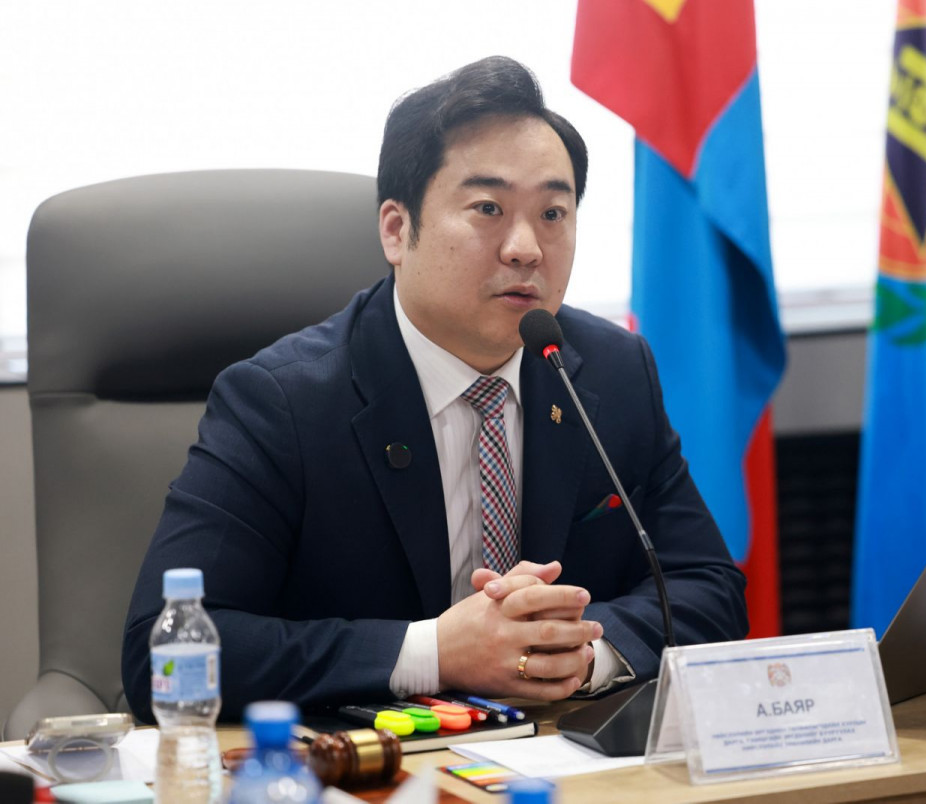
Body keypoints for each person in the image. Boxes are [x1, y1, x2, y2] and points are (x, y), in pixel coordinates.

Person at [121, 55, 748, 724]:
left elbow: (708, 588)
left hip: (560, 754)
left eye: (553, 213)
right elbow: (163, 652)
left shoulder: (611, 372)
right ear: (397, 230)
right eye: (488, 208)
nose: (526, 248)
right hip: (363, 761)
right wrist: (433, 652)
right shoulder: (281, 402)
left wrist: (580, 654)